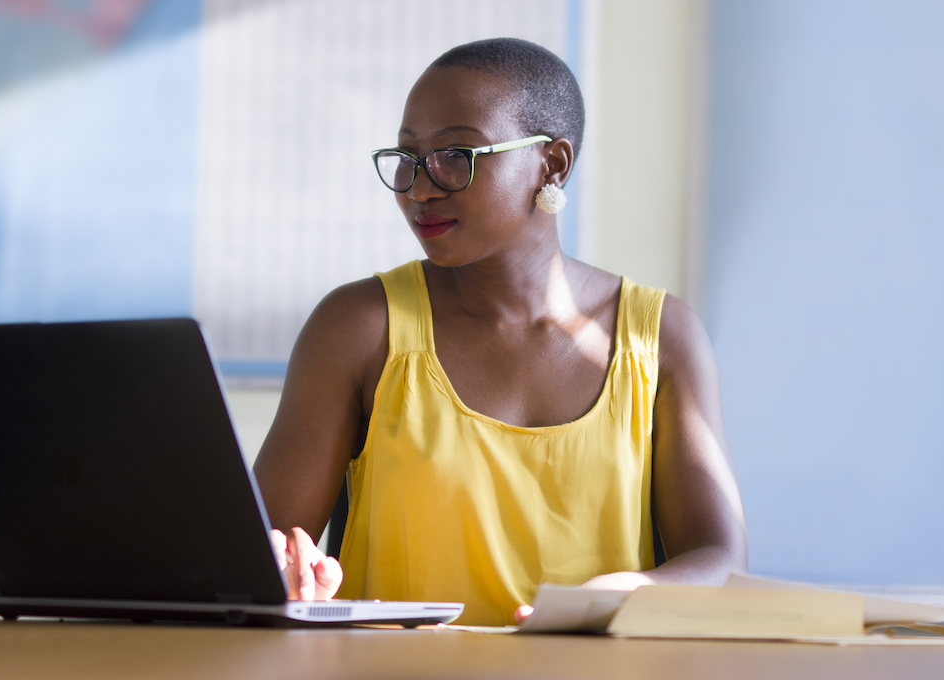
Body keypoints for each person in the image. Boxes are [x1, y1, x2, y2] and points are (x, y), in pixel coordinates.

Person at [252, 37, 746, 627]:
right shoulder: (361, 326)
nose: (420, 187)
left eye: (456, 154)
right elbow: (260, 551)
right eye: (408, 158)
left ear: (552, 163)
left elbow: (720, 558)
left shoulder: (662, 336)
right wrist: (291, 567)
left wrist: (637, 589)